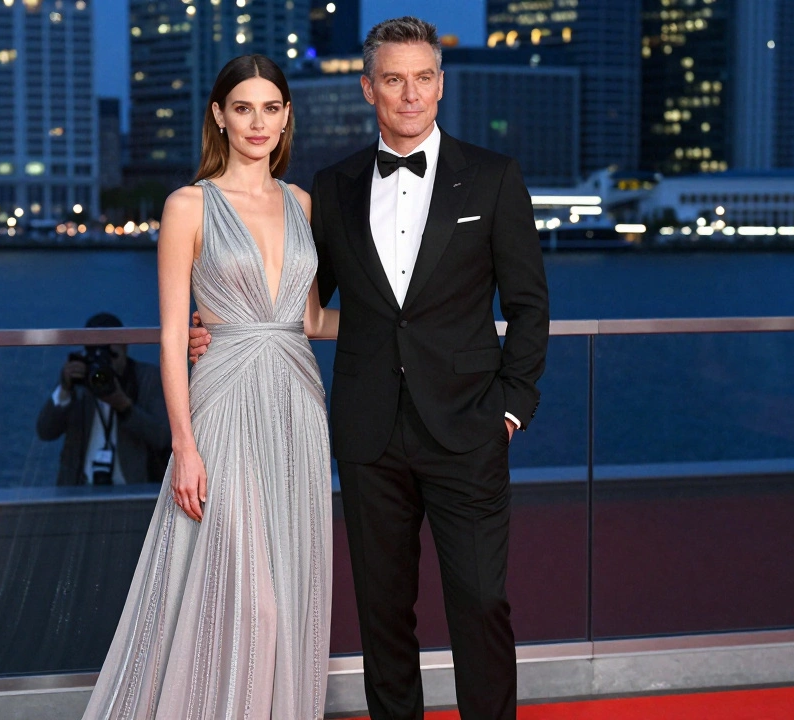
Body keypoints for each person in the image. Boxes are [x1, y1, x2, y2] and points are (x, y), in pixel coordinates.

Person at [81, 54, 336, 719]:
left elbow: (309, 319)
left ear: (287, 118)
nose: (259, 123)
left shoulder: (302, 202)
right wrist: (184, 445)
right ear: (219, 117)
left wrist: (405, 315)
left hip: (298, 408)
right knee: (252, 602)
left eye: (272, 108)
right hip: (222, 407)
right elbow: (171, 336)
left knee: (291, 589)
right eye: (244, 108)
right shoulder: (188, 205)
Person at [310, 17, 547, 720]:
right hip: (369, 435)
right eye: (392, 79)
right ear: (368, 88)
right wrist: (221, 331)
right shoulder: (335, 185)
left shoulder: (495, 178)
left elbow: (530, 307)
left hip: (469, 430)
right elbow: (302, 304)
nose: (408, 94)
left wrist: (509, 410)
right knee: (383, 618)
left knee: (480, 603)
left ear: (440, 86)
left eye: (422, 78)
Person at [37, 312, 171, 485]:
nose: (104, 363)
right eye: (95, 353)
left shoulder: (147, 379)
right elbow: (45, 431)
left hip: (132, 489)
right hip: (80, 488)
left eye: (111, 354)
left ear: (125, 348)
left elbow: (162, 438)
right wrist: (64, 389)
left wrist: (124, 406)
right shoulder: (80, 378)